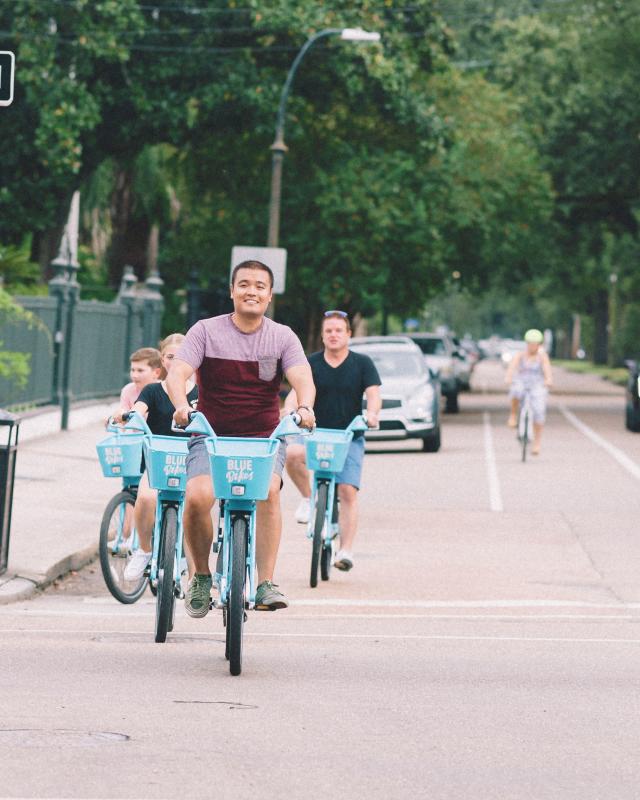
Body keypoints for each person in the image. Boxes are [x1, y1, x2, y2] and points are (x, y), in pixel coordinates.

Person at [167, 260, 316, 616]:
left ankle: (266, 583)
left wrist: (306, 406)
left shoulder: (282, 336)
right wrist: (179, 406)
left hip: (263, 436)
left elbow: (302, 377)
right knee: (198, 496)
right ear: (232, 290)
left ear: (269, 295)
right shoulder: (204, 330)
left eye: (260, 286)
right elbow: (178, 374)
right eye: (244, 284)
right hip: (211, 433)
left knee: (267, 493)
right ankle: (201, 575)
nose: (252, 291)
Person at [284, 310, 381, 572]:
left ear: (349, 334)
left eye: (339, 330)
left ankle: (346, 549)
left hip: (349, 436)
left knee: (347, 491)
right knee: (292, 454)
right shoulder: (311, 363)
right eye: (329, 331)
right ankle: (309, 499)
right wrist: (289, 410)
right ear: (323, 336)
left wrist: (371, 414)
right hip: (313, 433)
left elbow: (374, 394)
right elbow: (295, 394)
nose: (333, 335)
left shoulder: (362, 363)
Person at [114, 335, 198, 581]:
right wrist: (125, 415)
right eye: (171, 357)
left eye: (183, 357)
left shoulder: (201, 393)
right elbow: (138, 411)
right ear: (163, 360)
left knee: (197, 506)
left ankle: (196, 574)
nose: (176, 362)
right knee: (146, 498)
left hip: (191, 459)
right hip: (157, 460)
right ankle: (145, 549)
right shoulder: (152, 390)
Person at [505, 328, 553, 455]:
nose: (532, 346)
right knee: (515, 391)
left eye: (535, 344)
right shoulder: (520, 355)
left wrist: (548, 380)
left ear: (539, 345)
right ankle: (513, 415)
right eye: (530, 343)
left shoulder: (542, 357)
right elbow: (512, 367)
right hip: (521, 381)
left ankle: (537, 443)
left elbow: (547, 370)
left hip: (537, 384)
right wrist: (509, 377)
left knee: (539, 411)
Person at [114, 347, 162, 416]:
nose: (134, 375)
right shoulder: (128, 390)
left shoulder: (165, 391)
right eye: (132, 370)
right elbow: (123, 418)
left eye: (140, 370)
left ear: (156, 372)